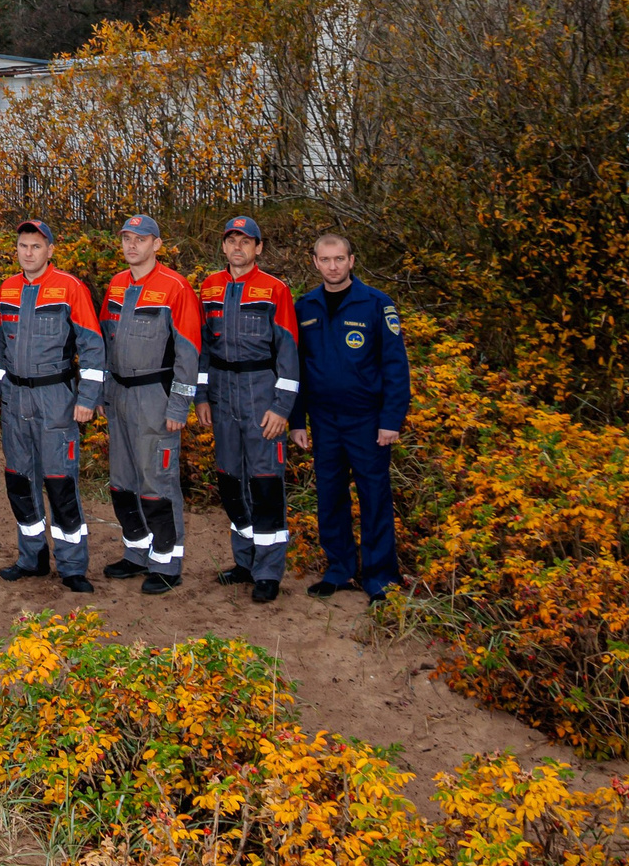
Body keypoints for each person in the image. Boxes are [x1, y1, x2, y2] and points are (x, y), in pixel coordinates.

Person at [0, 219, 104, 591]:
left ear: (50, 250)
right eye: (23, 246)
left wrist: (87, 398)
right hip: (15, 397)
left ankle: (71, 566)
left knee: (60, 482)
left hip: (56, 398)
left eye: (36, 246)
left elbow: (93, 346)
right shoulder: (7, 289)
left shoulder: (70, 288)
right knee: (19, 480)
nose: (29, 252)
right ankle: (31, 557)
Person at [289, 232, 411, 601]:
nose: (332, 266)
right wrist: (297, 420)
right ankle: (340, 569)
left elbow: (395, 366)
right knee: (330, 495)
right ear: (314, 262)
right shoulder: (304, 307)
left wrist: (391, 419)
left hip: (367, 419)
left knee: (373, 496)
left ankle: (380, 577)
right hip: (324, 420)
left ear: (352, 261)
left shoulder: (376, 304)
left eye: (339, 259)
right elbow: (295, 368)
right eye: (325, 260)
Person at [195, 215, 301, 603]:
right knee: (229, 479)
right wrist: (201, 397)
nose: (237, 247)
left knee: (265, 482)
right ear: (223, 246)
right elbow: (202, 348)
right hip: (222, 394)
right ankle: (244, 560)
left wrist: (281, 407)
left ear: (258, 248)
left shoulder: (275, 290)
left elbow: (289, 353)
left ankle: (269, 571)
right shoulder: (208, 288)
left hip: (261, 393)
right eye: (231, 240)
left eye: (246, 241)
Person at [97, 214, 202, 593]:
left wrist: (178, 406)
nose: (132, 245)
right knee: (123, 481)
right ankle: (136, 552)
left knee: (157, 479)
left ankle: (166, 562)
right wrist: (103, 393)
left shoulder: (176, 287)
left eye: (141, 239)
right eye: (127, 238)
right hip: (120, 395)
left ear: (157, 244)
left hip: (155, 396)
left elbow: (189, 353)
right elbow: (106, 344)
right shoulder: (116, 285)